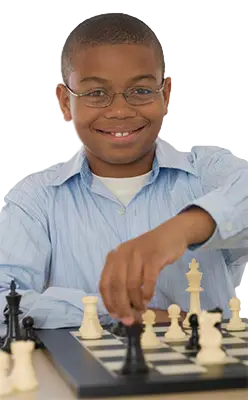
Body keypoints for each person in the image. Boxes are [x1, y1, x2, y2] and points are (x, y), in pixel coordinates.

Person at [0, 15, 247, 329]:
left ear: (166, 95)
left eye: (141, 91)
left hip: (217, 377)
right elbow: (3, 299)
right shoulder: (33, 199)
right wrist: (111, 310)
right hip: (85, 377)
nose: (119, 110)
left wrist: (182, 229)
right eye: (95, 93)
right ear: (64, 104)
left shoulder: (208, 170)